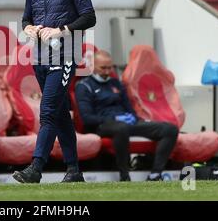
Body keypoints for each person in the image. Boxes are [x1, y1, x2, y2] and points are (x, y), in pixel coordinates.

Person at [12, 0, 96, 183]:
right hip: (40, 58)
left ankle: (36, 168)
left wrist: (62, 30)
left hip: (65, 55)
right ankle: (74, 170)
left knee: (48, 110)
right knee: (59, 113)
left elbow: (89, 17)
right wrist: (28, 29)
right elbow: (26, 19)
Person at [75, 50, 179, 181]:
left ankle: (155, 174)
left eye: (110, 67)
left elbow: (129, 108)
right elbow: (87, 118)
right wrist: (114, 118)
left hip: (125, 122)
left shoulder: (116, 83)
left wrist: (133, 117)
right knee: (121, 128)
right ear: (92, 66)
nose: (107, 71)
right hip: (102, 125)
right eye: (103, 68)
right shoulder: (84, 86)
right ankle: (124, 174)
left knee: (170, 129)